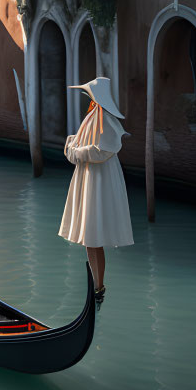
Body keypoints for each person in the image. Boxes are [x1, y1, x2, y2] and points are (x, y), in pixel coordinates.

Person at [59, 77, 134, 304]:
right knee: (91, 236)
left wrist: (75, 149)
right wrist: (75, 147)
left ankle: (99, 286)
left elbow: (103, 150)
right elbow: (80, 146)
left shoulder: (107, 120)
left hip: (99, 179)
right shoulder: (93, 116)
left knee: (94, 234)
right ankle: (96, 285)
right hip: (89, 177)